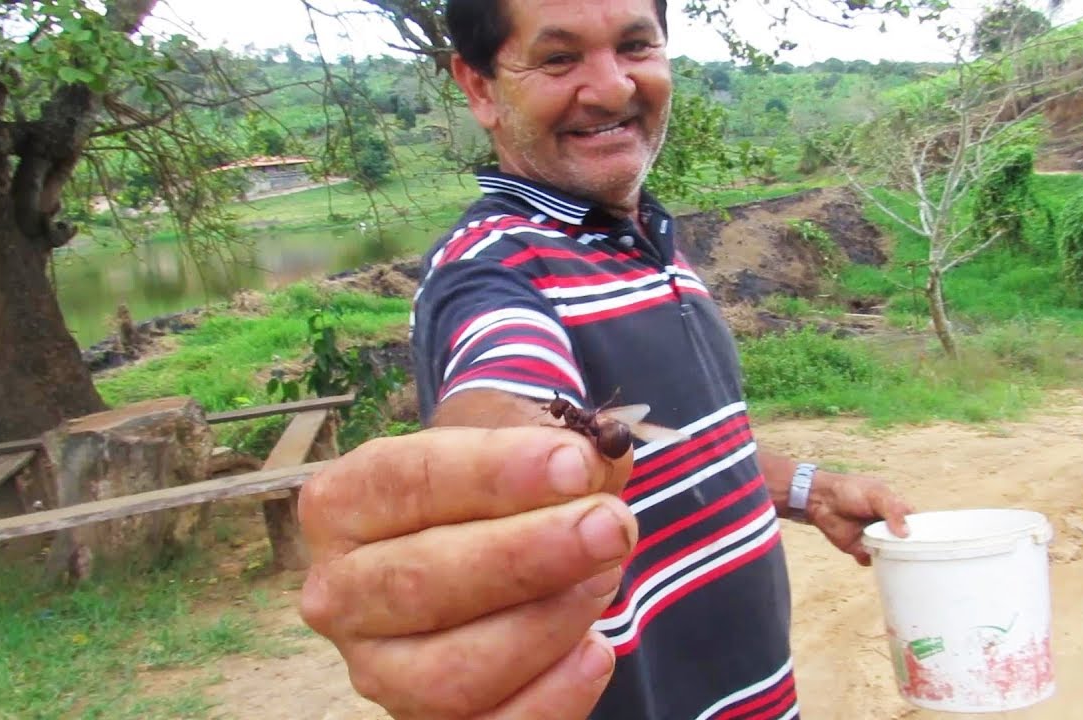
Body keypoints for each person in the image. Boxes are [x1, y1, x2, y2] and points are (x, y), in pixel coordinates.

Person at [296, 1, 914, 718]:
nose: (614, 87)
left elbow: (682, 446)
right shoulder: (491, 270)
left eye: (634, 45)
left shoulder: (651, 235)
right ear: (480, 88)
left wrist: (811, 490)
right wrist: (486, 483)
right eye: (559, 59)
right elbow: (503, 391)